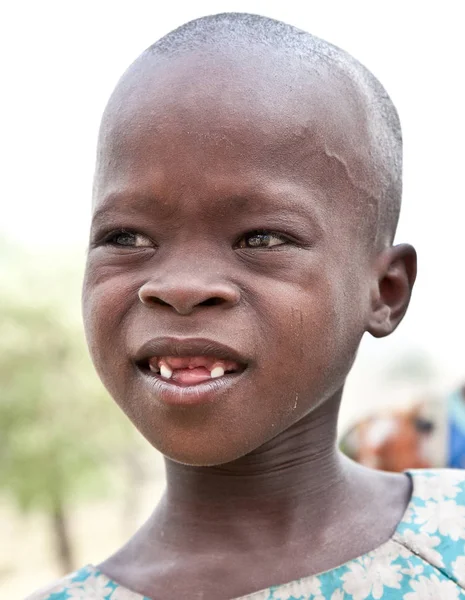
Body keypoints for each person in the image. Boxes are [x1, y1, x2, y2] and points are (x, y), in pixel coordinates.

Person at [27, 12, 465, 600]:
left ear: (385, 292)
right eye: (126, 237)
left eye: (261, 238)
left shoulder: (450, 543)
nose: (178, 287)